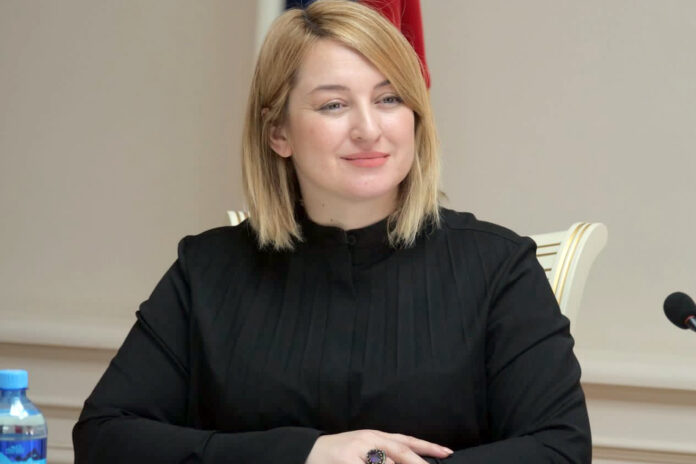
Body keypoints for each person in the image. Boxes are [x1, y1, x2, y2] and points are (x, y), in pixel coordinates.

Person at [73, 1, 592, 463]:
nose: (369, 129)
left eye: (389, 99)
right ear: (278, 132)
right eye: (333, 105)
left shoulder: (498, 266)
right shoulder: (207, 269)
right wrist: (305, 453)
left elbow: (559, 448)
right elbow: (104, 437)